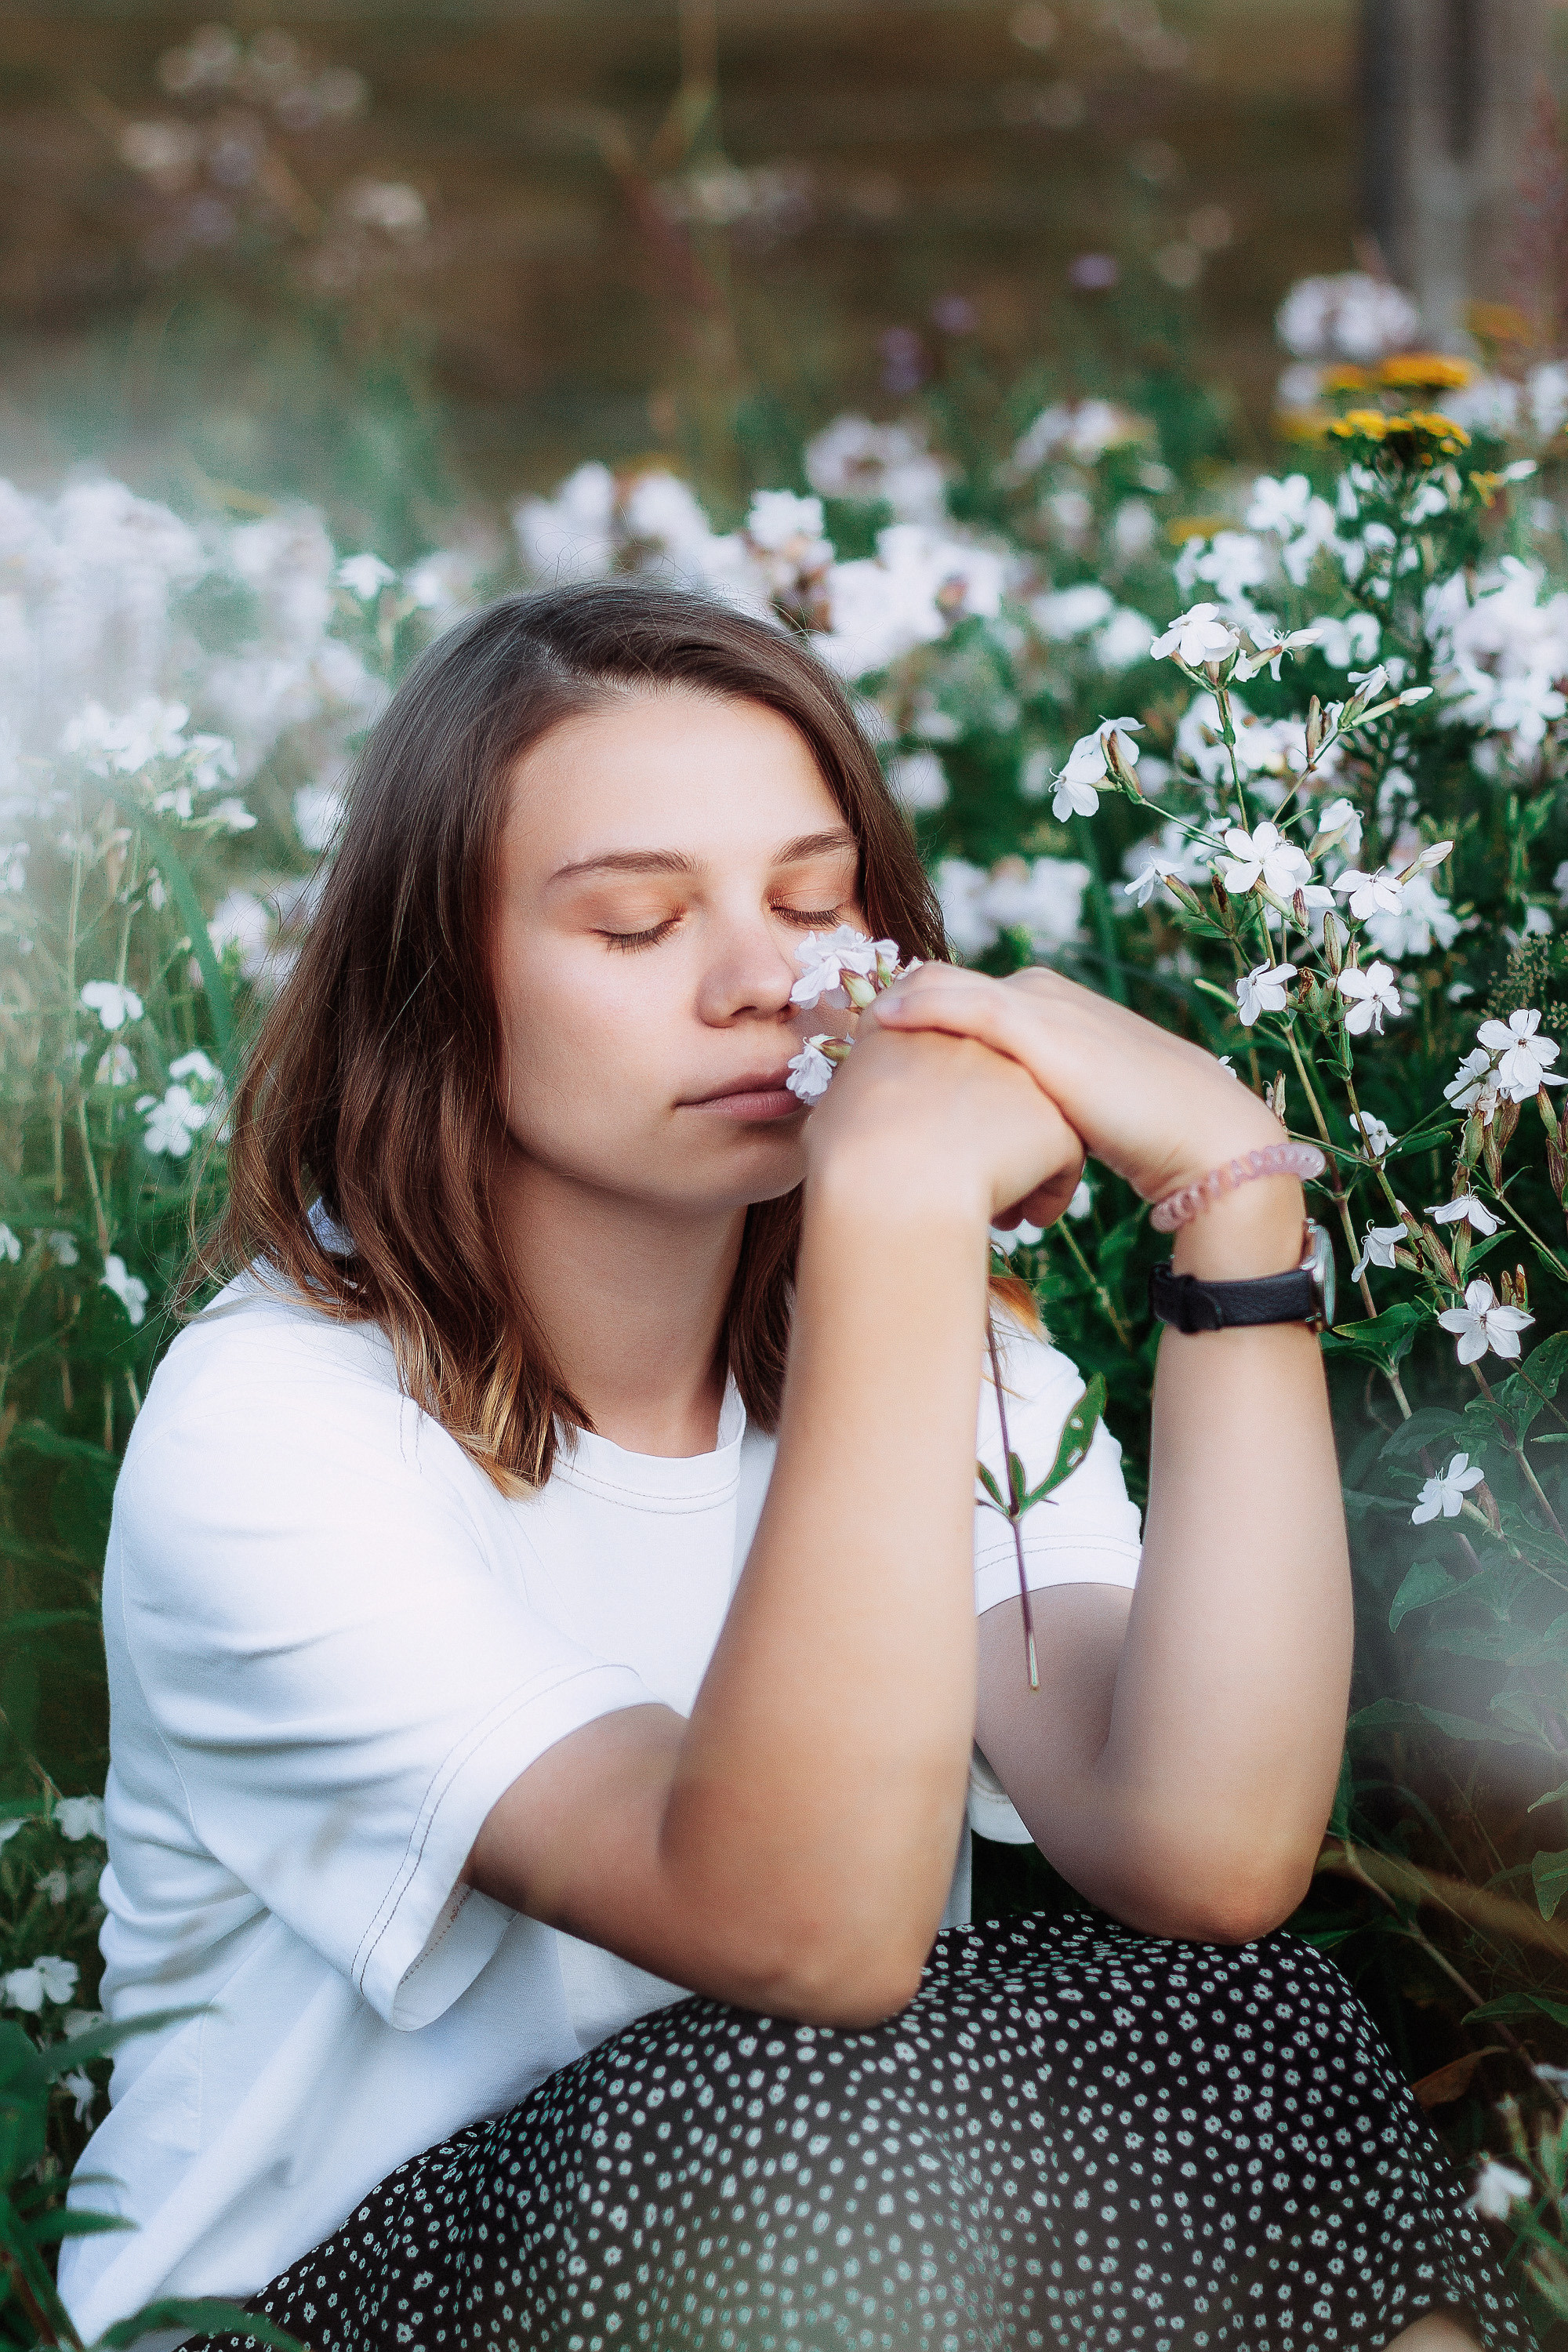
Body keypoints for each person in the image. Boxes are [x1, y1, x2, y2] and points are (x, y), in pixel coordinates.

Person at [62, 584, 1526, 2352]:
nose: (765, 982)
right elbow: (805, 1939)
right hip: (316, 2306)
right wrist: (898, 1211)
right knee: (796, 2097)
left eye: (812, 902)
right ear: (437, 983)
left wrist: (1236, 1193)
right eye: (631, 924)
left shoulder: (914, 1341)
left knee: (1244, 2017)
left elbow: (1203, 1853)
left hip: (811, 2225)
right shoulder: (273, 1432)